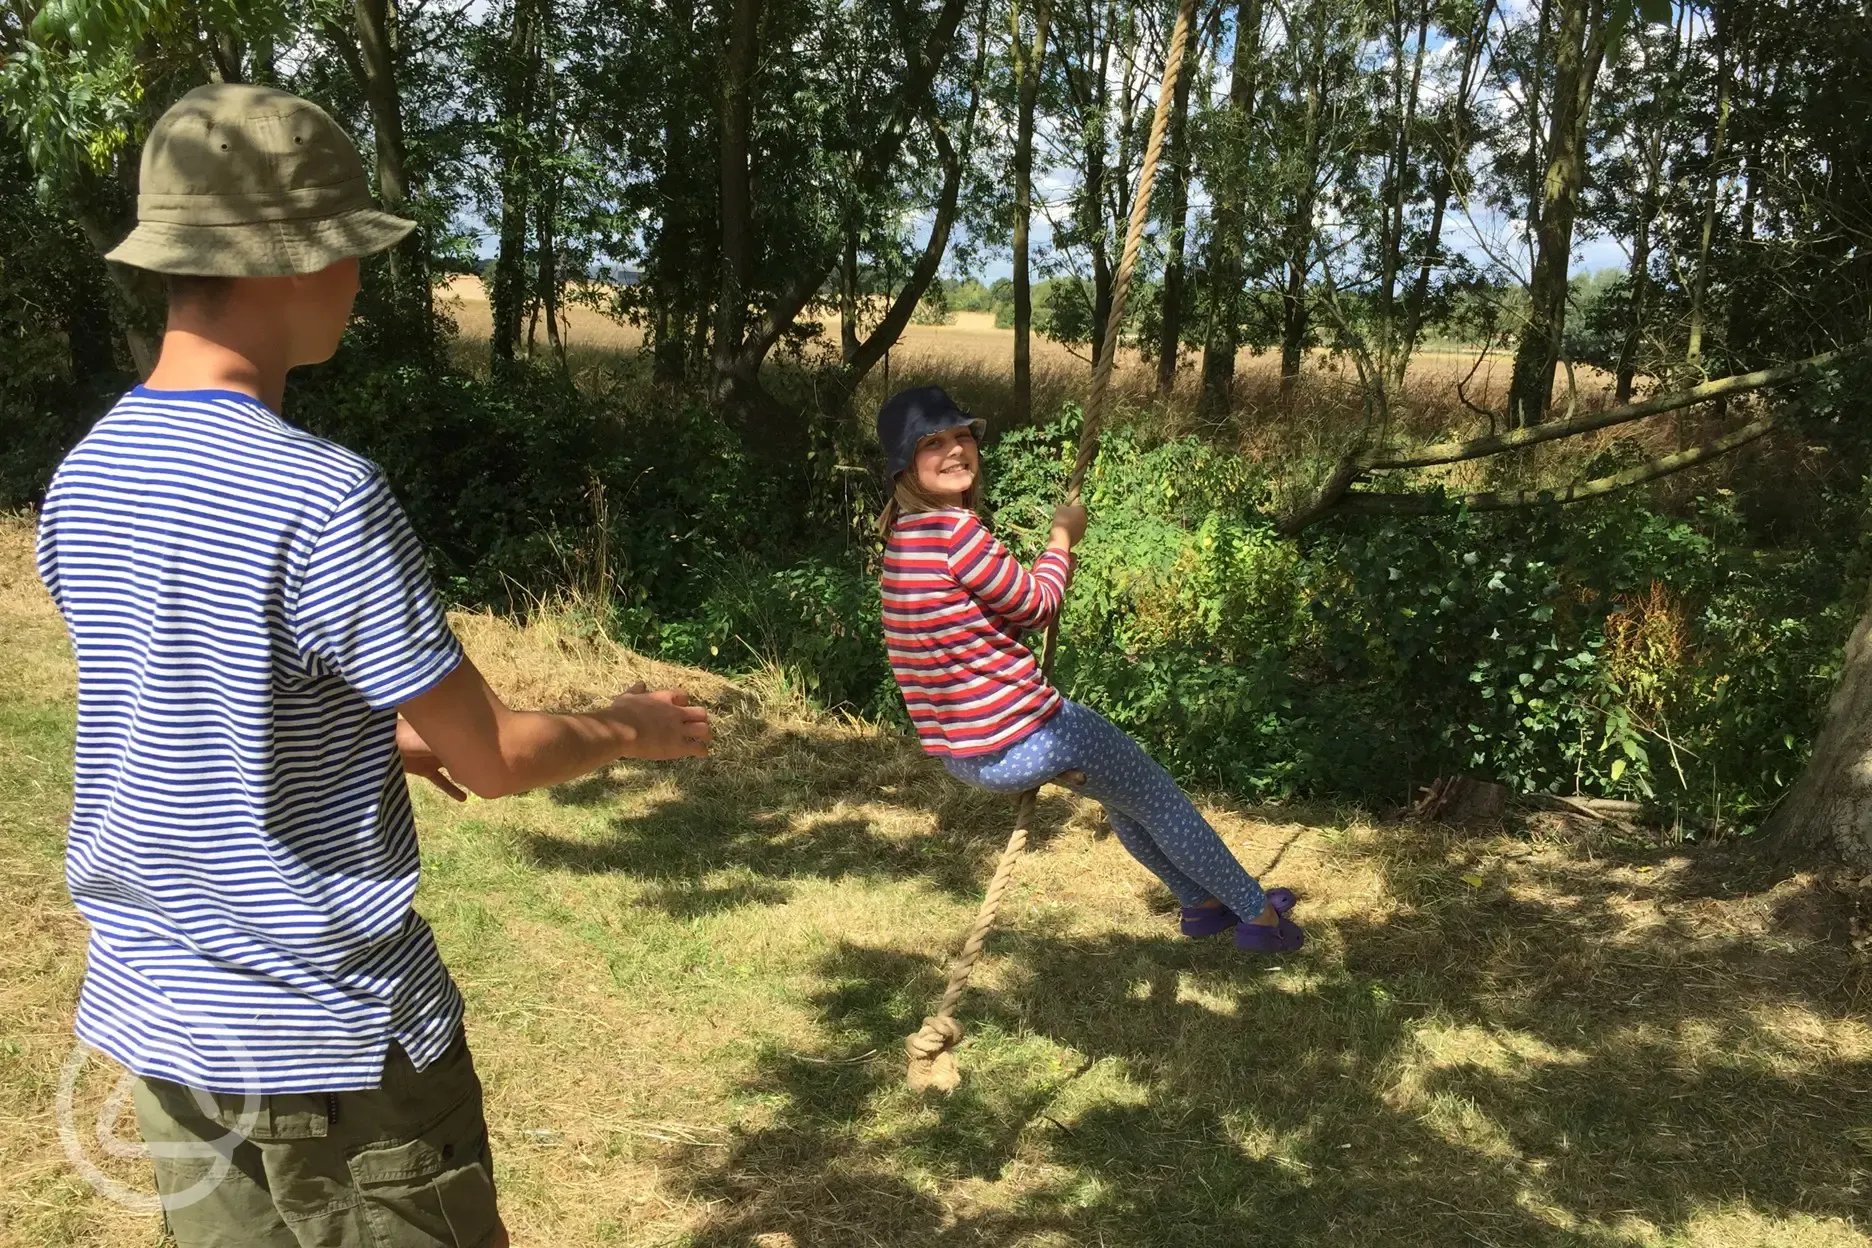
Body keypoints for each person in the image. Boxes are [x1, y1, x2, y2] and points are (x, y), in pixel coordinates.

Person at [35, 83, 711, 1248]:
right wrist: (626, 727)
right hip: (336, 1052)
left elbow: (197, 704)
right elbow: (497, 759)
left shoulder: (87, 477)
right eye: (347, 247)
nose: (358, 274)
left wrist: (378, 736)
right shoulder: (319, 494)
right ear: (287, 262)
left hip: (169, 1037)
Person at [875, 386, 1302, 954]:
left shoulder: (903, 539)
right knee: (1158, 796)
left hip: (967, 754)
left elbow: (981, 622)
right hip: (1027, 733)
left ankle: (1200, 905)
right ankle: (1256, 917)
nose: (955, 450)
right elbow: (1035, 605)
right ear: (906, 463)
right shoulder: (957, 532)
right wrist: (1062, 541)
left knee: (1124, 797)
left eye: (961, 436)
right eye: (933, 442)